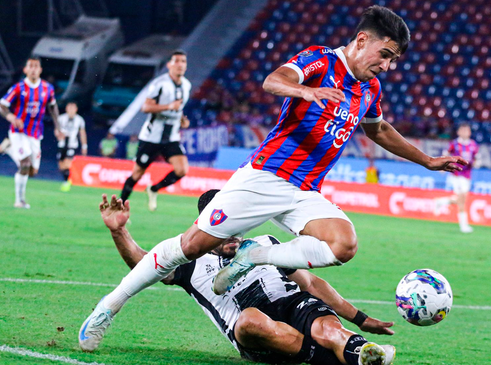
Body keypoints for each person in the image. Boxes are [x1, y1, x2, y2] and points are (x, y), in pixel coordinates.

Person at [79, 6, 465, 351]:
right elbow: (272, 80)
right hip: (265, 176)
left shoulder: (370, 88)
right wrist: (306, 92)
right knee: (192, 246)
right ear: (362, 40)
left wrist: (427, 161)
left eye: (394, 60)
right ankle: (107, 308)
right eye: (386, 54)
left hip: (304, 191)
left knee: (343, 245)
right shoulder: (320, 60)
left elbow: (378, 130)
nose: (387, 65)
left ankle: (254, 255)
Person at [81, 190, 396, 365]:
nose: (233, 233)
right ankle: (341, 357)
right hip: (254, 334)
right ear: (207, 226)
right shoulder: (192, 261)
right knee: (249, 320)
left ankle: (362, 352)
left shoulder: (266, 244)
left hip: (292, 306)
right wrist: (119, 231)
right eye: (224, 228)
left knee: (327, 327)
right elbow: (144, 264)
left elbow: (311, 284)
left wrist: (359, 317)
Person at [119, 50, 191, 212]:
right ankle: (120, 206)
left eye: (183, 61)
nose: (180, 64)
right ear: (169, 65)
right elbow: (145, 107)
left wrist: (182, 120)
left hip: (171, 137)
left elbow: (178, 109)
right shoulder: (160, 84)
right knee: (137, 175)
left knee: (182, 170)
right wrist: (168, 106)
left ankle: (154, 189)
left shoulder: (187, 85)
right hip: (151, 137)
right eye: (177, 61)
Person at [0, 57, 63, 209]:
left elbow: (53, 107)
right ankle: (20, 200)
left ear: (40, 70)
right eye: (30, 66)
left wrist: (58, 127)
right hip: (18, 132)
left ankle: (8, 149)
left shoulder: (47, 88)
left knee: (32, 171)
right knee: (24, 164)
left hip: (36, 133)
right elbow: (0, 107)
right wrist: (10, 116)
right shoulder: (19, 88)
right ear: (25, 70)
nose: (33, 69)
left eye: (36, 66)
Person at [433, 124, 478, 233]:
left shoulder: (473, 145)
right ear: (458, 132)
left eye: (467, 130)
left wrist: (476, 163)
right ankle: (464, 226)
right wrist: (442, 167)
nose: (465, 132)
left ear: (470, 132)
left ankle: (440, 202)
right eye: (462, 130)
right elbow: (445, 155)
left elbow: (475, 159)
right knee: (462, 200)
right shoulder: (454, 144)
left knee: (461, 199)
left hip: (467, 175)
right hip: (456, 174)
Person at [56, 102, 87, 192]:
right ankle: (67, 178)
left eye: (73, 108)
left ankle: (66, 182)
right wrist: (58, 135)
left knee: (67, 163)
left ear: (76, 109)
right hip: (61, 144)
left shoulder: (79, 120)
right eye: (69, 108)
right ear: (66, 109)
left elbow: (82, 133)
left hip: (72, 145)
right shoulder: (61, 118)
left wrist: (84, 146)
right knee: (61, 165)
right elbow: (56, 130)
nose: (71, 110)